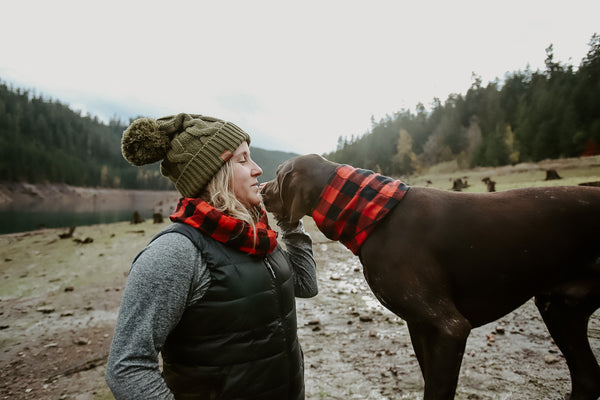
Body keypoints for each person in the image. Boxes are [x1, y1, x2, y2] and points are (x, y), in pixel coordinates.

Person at [105, 113, 318, 399]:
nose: (256, 169)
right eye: (242, 160)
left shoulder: (255, 236)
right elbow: (127, 367)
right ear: (213, 174)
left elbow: (305, 284)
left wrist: (289, 220)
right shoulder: (176, 252)